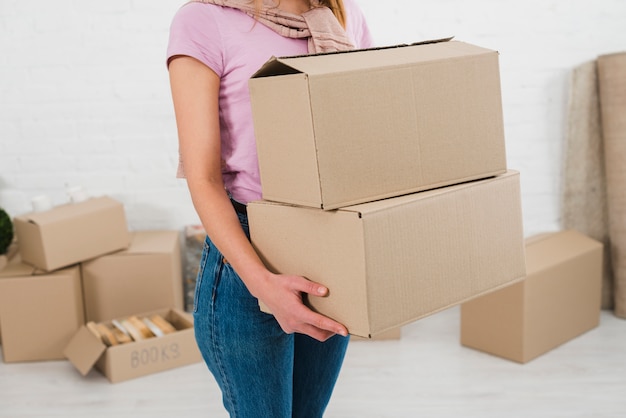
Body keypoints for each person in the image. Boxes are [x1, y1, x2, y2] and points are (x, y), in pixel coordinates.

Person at [166, 1, 373, 416]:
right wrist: (262, 283)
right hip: (247, 256)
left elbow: (365, 129)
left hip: (328, 248)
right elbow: (204, 178)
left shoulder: (343, 14)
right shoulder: (205, 20)